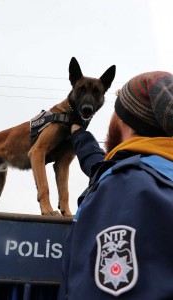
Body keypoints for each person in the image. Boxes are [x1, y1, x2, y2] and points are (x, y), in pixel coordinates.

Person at [60, 71, 173, 299]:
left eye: (115, 110)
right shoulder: (155, 174)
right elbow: (99, 166)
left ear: (125, 122)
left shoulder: (126, 188)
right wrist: (80, 137)